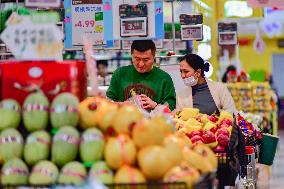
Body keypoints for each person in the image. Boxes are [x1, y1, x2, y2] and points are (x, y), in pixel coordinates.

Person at [106, 40, 176, 111]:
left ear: (153, 57)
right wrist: (122, 105)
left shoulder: (164, 78)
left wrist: (155, 106)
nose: (141, 64)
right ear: (131, 55)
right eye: (137, 59)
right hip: (125, 120)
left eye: (146, 60)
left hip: (154, 121)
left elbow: (171, 105)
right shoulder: (119, 74)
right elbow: (108, 101)